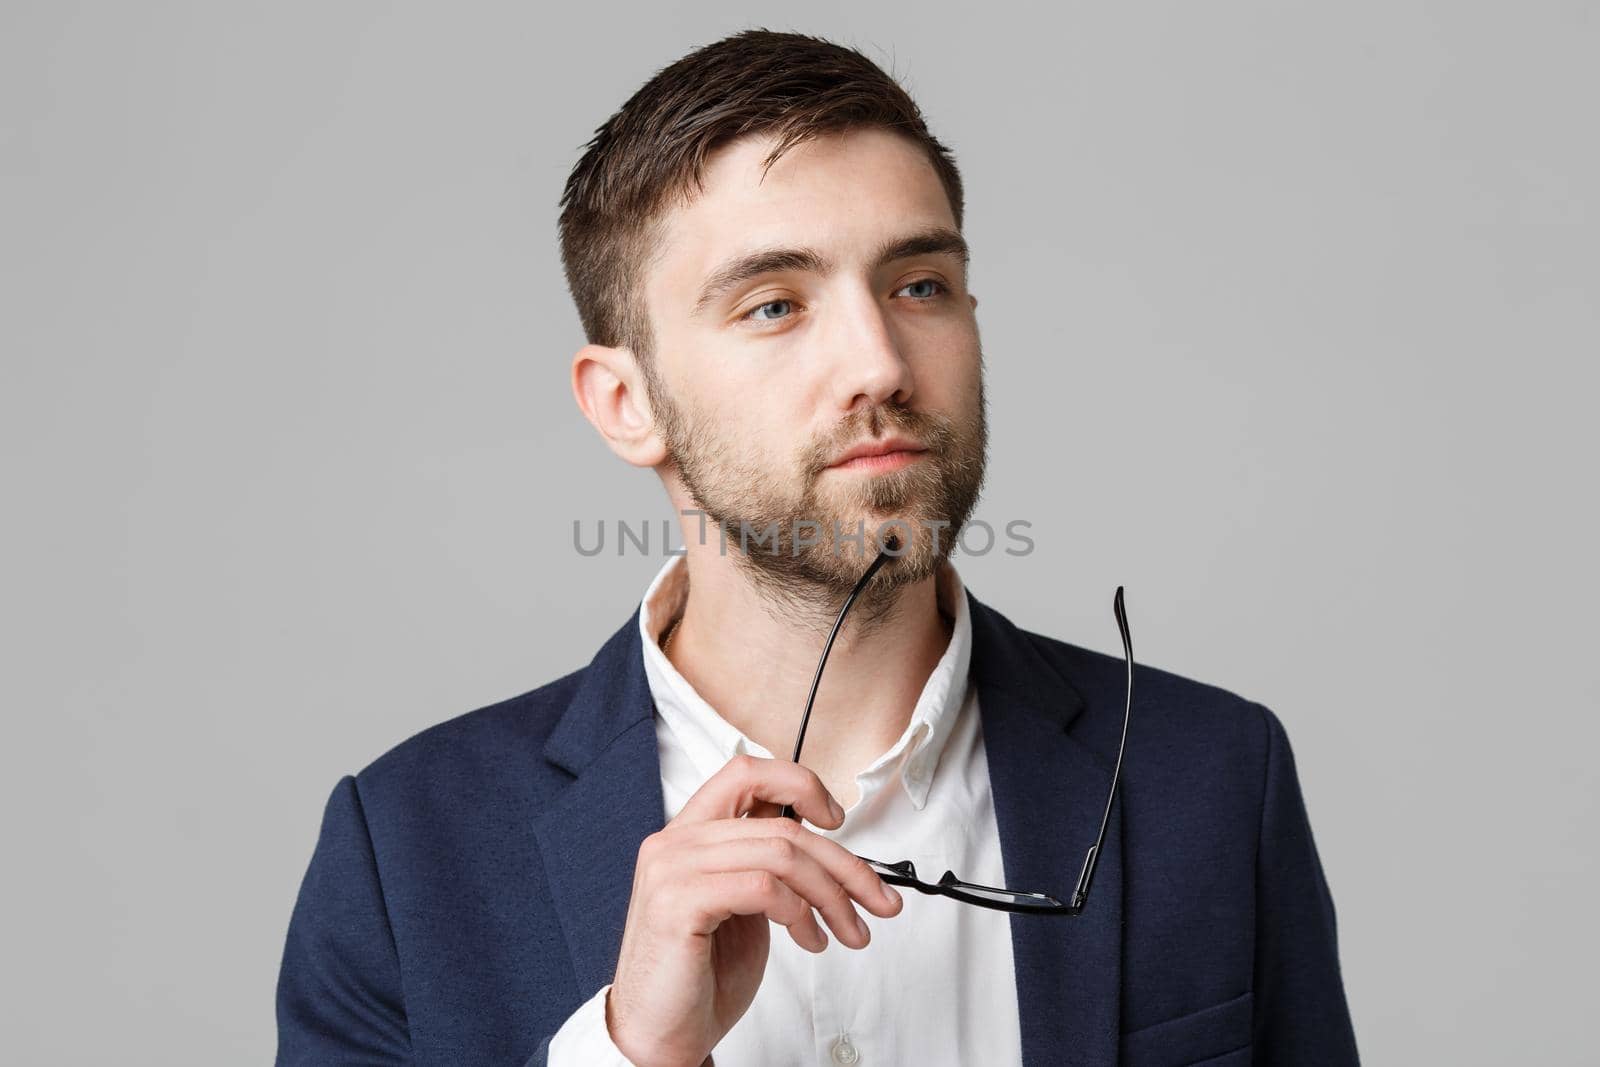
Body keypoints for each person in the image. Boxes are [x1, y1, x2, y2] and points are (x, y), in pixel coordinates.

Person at [275, 28, 1360, 1067]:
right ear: (623, 402)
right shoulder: (408, 848)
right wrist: (629, 1050)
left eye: (918, 285)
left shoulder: (1213, 777)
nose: (878, 361)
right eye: (774, 304)